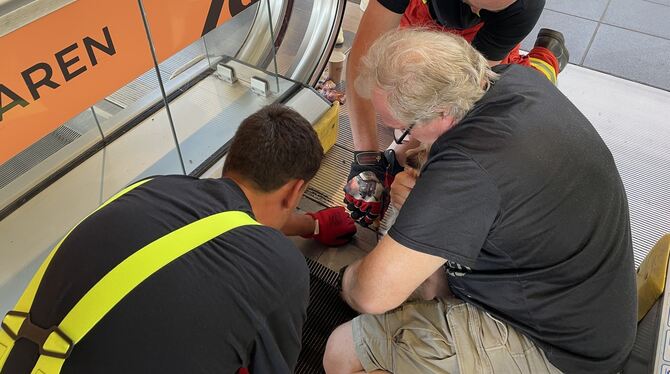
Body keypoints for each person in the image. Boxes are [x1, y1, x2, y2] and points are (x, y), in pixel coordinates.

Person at [324, 29, 636, 373]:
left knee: (343, 351)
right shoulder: (511, 80)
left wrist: (348, 279)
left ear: (441, 111)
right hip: (583, 306)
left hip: (557, 352)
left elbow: (372, 295)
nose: (407, 141)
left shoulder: (469, 166)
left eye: (404, 130)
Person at [0, 104, 356, 373]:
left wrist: (308, 225)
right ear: (296, 190)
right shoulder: (283, 266)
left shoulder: (152, 187)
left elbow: (231, 219)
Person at [344, 0, 570, 227]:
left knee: (516, 91)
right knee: (393, 90)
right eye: (473, 3)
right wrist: (367, 158)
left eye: (484, 9)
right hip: (421, 16)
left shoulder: (523, 7)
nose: (475, 11)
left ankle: (546, 60)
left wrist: (407, 158)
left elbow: (460, 100)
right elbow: (365, 61)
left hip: (483, 42)